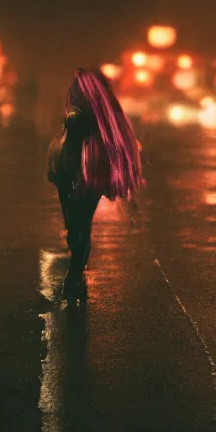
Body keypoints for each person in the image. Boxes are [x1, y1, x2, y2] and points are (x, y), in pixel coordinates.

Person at [48, 68, 143, 303]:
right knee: (80, 226)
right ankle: (76, 269)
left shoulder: (79, 117)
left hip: (79, 176)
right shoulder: (97, 118)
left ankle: (75, 271)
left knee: (76, 224)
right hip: (84, 175)